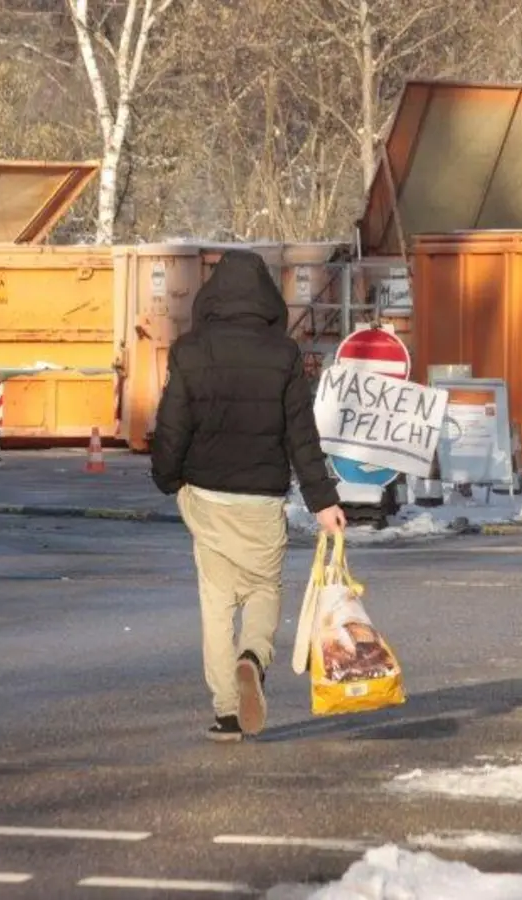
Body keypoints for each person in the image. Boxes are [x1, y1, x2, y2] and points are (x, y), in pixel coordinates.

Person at [151, 249, 346, 743]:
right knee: (263, 588)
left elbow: (171, 426)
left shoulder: (190, 351)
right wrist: (324, 501)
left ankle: (226, 712)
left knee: (217, 602)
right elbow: (301, 436)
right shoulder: (282, 355)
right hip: (261, 499)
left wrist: (168, 477)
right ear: (266, 298)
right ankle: (253, 657)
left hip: (206, 496)